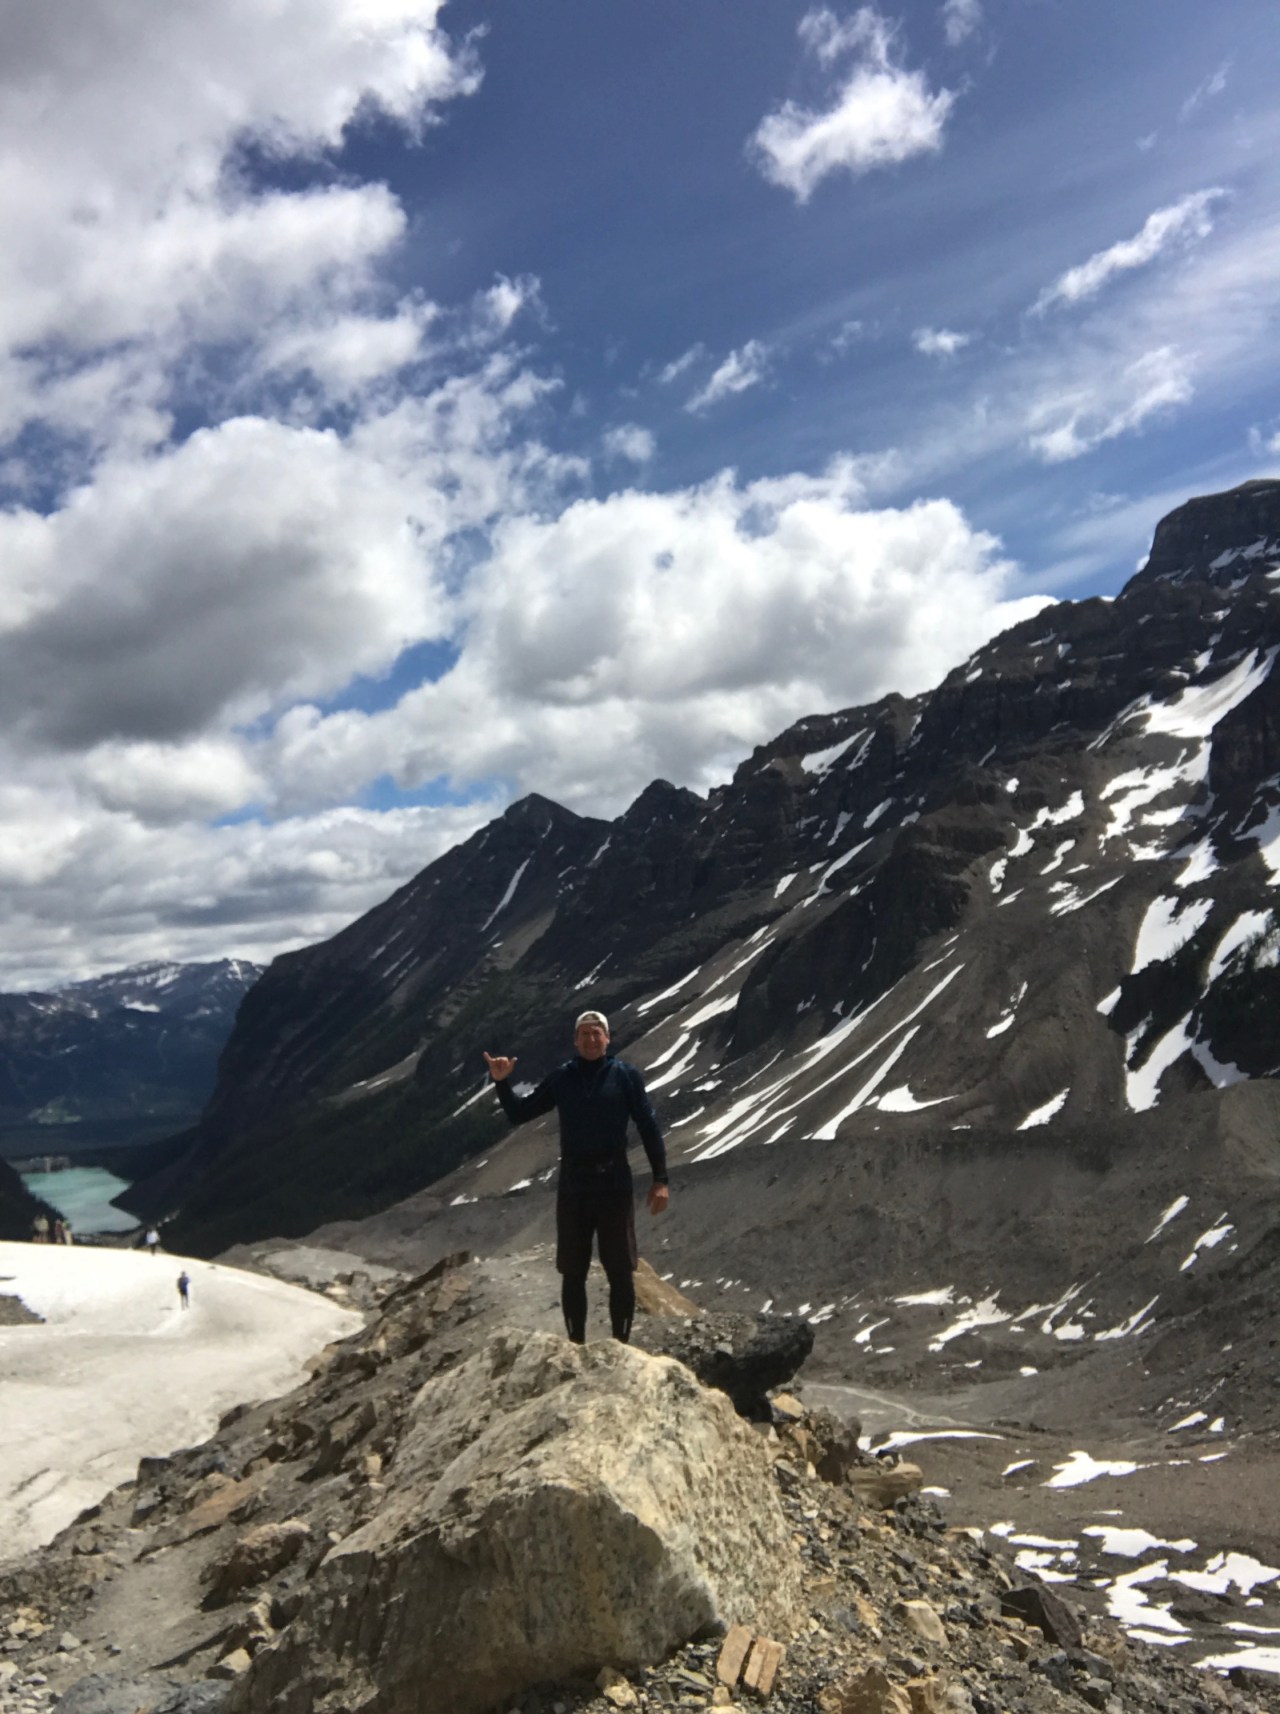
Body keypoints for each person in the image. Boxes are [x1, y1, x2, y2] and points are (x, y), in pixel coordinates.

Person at [485, 1009, 669, 1346]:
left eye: (597, 1032)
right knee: (573, 1270)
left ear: (608, 1038)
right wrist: (502, 1082)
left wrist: (661, 1179)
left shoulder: (625, 1076)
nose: (591, 1038)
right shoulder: (562, 1078)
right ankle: (576, 1346)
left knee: (620, 1269)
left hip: (614, 1181)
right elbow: (520, 1113)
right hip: (574, 1184)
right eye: (584, 1033)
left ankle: (621, 1346)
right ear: (575, 1040)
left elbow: (648, 1126)